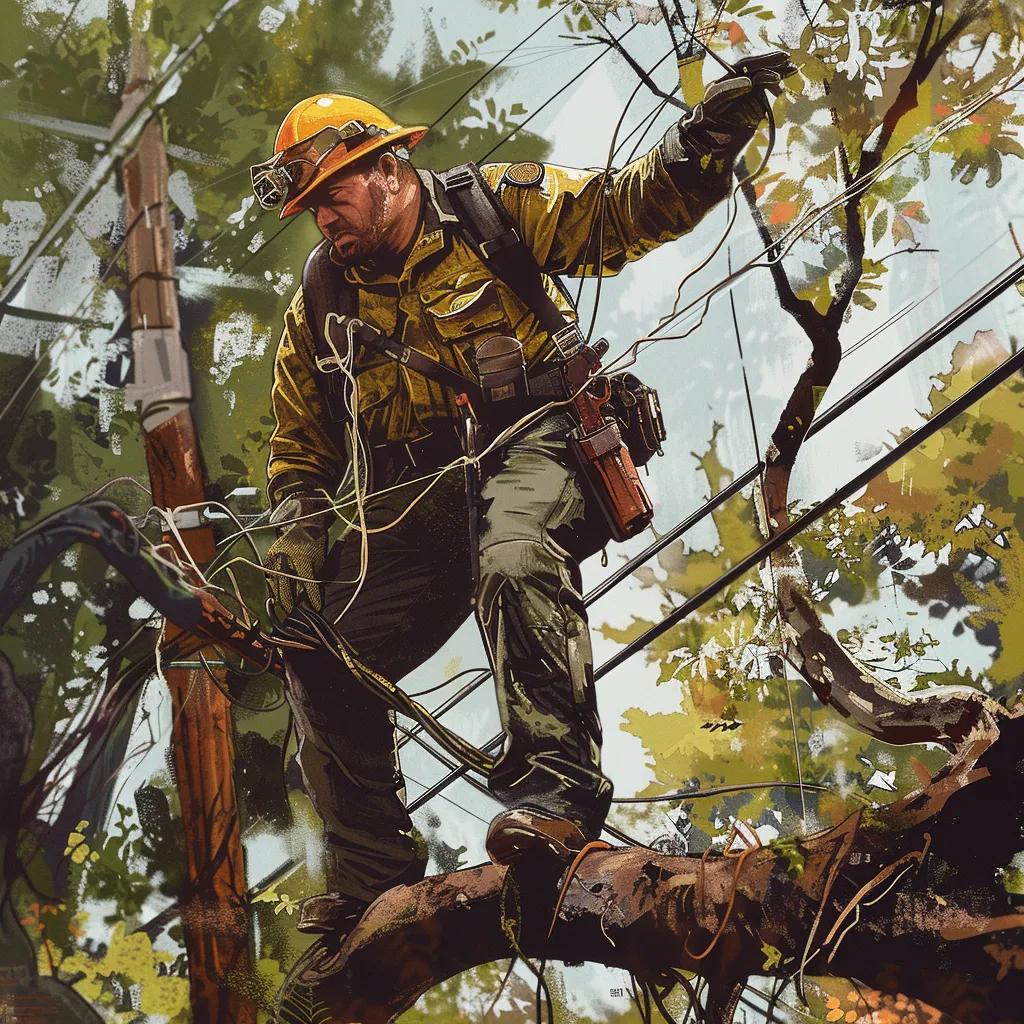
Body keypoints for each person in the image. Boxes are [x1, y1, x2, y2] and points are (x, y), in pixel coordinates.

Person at [253, 55, 793, 953]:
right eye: (310, 205)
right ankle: (371, 873)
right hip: (418, 502)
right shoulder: (320, 298)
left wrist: (707, 141)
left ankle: (557, 794)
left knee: (512, 550)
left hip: (543, 441)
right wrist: (300, 532)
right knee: (317, 646)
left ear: (388, 170)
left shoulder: (490, 206)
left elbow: (626, 209)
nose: (323, 216)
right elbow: (297, 448)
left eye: (332, 194)